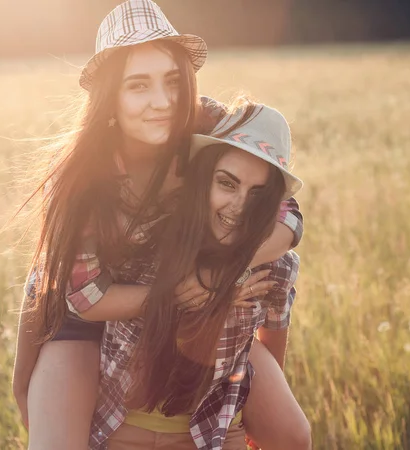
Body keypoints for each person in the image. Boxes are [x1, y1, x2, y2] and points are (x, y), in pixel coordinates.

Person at [11, 1, 306, 449]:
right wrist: (174, 293)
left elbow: (282, 207)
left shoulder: (208, 123)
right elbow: (84, 298)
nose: (162, 101)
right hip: (90, 316)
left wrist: (216, 277)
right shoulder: (84, 177)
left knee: (293, 434)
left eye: (172, 81)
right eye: (138, 86)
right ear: (110, 98)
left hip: (201, 306)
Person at [91, 102, 310, 450]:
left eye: (257, 195)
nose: (239, 207)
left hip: (212, 430)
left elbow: (274, 338)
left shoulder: (275, 264)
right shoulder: (148, 246)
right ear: (202, 178)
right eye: (227, 183)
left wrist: (258, 412)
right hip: (123, 429)